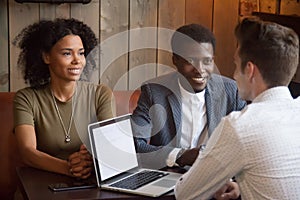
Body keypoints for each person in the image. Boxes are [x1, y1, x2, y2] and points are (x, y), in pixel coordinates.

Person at [174, 17, 300, 199]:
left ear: (249, 70)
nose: (233, 74)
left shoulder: (239, 126)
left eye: (235, 64)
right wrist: (243, 186)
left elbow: (185, 194)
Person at [131, 24, 246, 199]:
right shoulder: (154, 91)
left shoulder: (231, 90)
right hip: (169, 185)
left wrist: (237, 183)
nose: (200, 69)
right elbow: (136, 146)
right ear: (175, 60)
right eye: (190, 61)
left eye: (207, 61)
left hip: (217, 184)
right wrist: (181, 156)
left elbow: (245, 144)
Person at [13, 18, 115, 179]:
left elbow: (110, 144)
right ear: (47, 57)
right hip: (41, 185)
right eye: (67, 53)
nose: (77, 60)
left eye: (81, 53)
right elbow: (27, 152)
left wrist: (89, 156)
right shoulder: (26, 98)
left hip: (89, 183)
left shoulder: (101, 94)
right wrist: (69, 168)